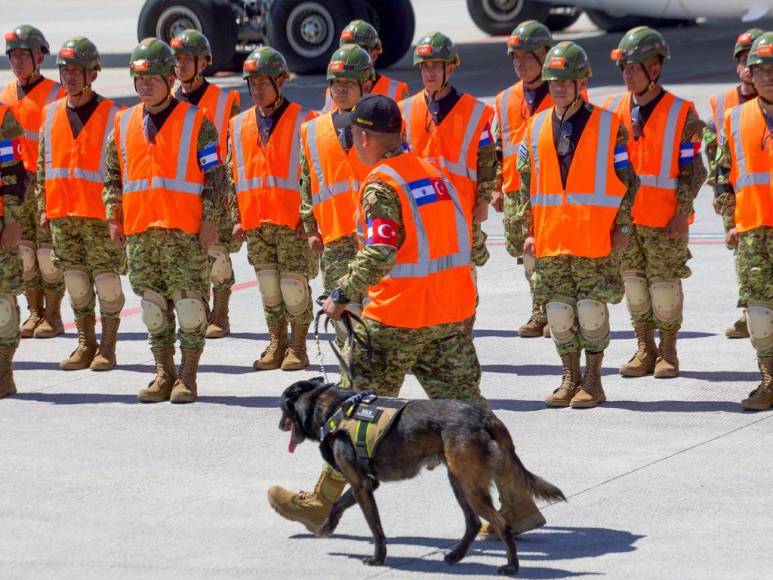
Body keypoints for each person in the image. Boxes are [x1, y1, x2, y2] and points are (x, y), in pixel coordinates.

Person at [102, 38, 228, 403]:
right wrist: (114, 214)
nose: (145, 85)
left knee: (189, 308)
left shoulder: (196, 121)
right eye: (139, 78)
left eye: (152, 78)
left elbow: (217, 177)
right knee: (153, 309)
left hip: (184, 231)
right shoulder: (123, 123)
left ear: (170, 79)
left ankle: (187, 376)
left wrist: (210, 221)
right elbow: (112, 175)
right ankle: (163, 373)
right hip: (142, 231)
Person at [521, 41, 639, 408]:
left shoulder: (609, 125)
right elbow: (528, 183)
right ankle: (569, 376)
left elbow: (627, 181)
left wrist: (622, 228)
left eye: (566, 81)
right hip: (552, 235)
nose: (558, 87)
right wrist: (528, 230)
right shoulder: (536, 126)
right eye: (554, 80)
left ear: (582, 82)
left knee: (590, 309)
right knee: (558, 310)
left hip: (592, 235)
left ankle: (593, 380)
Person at [604, 27, 706, 379]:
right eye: (625, 68)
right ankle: (644, 347)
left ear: (656, 68)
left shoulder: (682, 112)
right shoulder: (613, 110)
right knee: (634, 286)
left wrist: (682, 212)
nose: (628, 74)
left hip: (665, 220)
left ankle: (668, 351)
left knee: (663, 288)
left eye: (635, 67)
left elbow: (693, 169)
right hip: (627, 220)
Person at [37, 36, 126, 371]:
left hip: (100, 217)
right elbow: (43, 165)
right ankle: (85, 343)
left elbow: (122, 172)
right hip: (63, 214)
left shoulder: (114, 115)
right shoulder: (49, 114)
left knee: (105, 282)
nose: (70, 76)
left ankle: (108, 346)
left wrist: (119, 216)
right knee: (75, 282)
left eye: (77, 70)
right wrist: (44, 207)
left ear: (93, 73)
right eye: (64, 70)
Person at [228, 47, 318, 371]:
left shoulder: (306, 122)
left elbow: (314, 176)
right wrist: (237, 219)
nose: (256, 89)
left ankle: (298, 345)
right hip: (257, 220)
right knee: (268, 286)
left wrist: (310, 219)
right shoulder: (238, 125)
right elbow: (231, 173)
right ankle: (276, 342)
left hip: (291, 220)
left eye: (263, 82)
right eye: (252, 83)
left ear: (281, 81)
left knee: (293, 286)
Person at [399, 32, 497, 304]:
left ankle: (464, 326)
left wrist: (483, 201)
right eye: (425, 66)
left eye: (436, 66)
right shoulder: (404, 111)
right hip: (420, 209)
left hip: (461, 208)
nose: (429, 72)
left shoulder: (475, 112)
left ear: (450, 68)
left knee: (462, 276)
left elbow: (487, 161)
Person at [298, 44, 374, 347]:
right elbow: (307, 181)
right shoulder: (312, 129)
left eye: (347, 84)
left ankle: (376, 372)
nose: (340, 90)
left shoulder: (383, 126)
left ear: (365, 85)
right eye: (335, 84)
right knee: (343, 313)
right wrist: (310, 227)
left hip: (373, 234)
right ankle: (352, 372)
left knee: (376, 309)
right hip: (334, 235)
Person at [714, 31, 773, 411]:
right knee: (759, 315)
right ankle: (769, 382)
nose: (766, 75)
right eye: (760, 69)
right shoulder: (735, 119)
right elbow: (722, 176)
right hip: (752, 230)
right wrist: (730, 220)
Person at [172, 29, 241, 339]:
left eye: (188, 58)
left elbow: (236, 147)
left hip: (216, 190)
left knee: (217, 255)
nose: (181, 65)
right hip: (180, 192)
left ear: (203, 62)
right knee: (187, 257)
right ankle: (197, 311)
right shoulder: (167, 98)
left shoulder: (225, 100)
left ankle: (221, 312)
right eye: (176, 59)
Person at [1, 24, 66, 338]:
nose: (17, 61)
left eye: (24, 55)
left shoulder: (57, 94)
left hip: (45, 186)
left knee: (46, 255)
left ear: (39, 56)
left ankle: (53, 314)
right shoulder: (5, 94)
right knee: (24, 253)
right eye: (13, 55)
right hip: (16, 187)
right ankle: (34, 311)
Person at [493, 20, 556, 338]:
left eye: (527, 57)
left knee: (553, 251)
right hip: (517, 189)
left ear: (545, 55)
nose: (520, 64)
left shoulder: (564, 92)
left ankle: (558, 310)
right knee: (529, 255)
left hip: (553, 189)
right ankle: (540, 311)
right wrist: (497, 187)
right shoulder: (504, 99)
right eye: (515, 58)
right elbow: (498, 147)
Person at [705, 28, 764, 339]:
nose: (746, 67)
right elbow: (713, 149)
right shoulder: (724, 103)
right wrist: (719, 190)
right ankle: (750, 311)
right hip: (738, 194)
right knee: (744, 257)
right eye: (742, 60)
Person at [320, 20, 409, 112]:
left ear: (374, 55)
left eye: (360, 51)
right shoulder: (332, 92)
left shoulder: (395, 90)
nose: (351, 56)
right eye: (346, 49)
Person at [0, 105, 27, 397]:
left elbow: (14, 174)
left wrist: (13, 221)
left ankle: (3, 373)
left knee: (2, 303)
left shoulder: (2, 117)